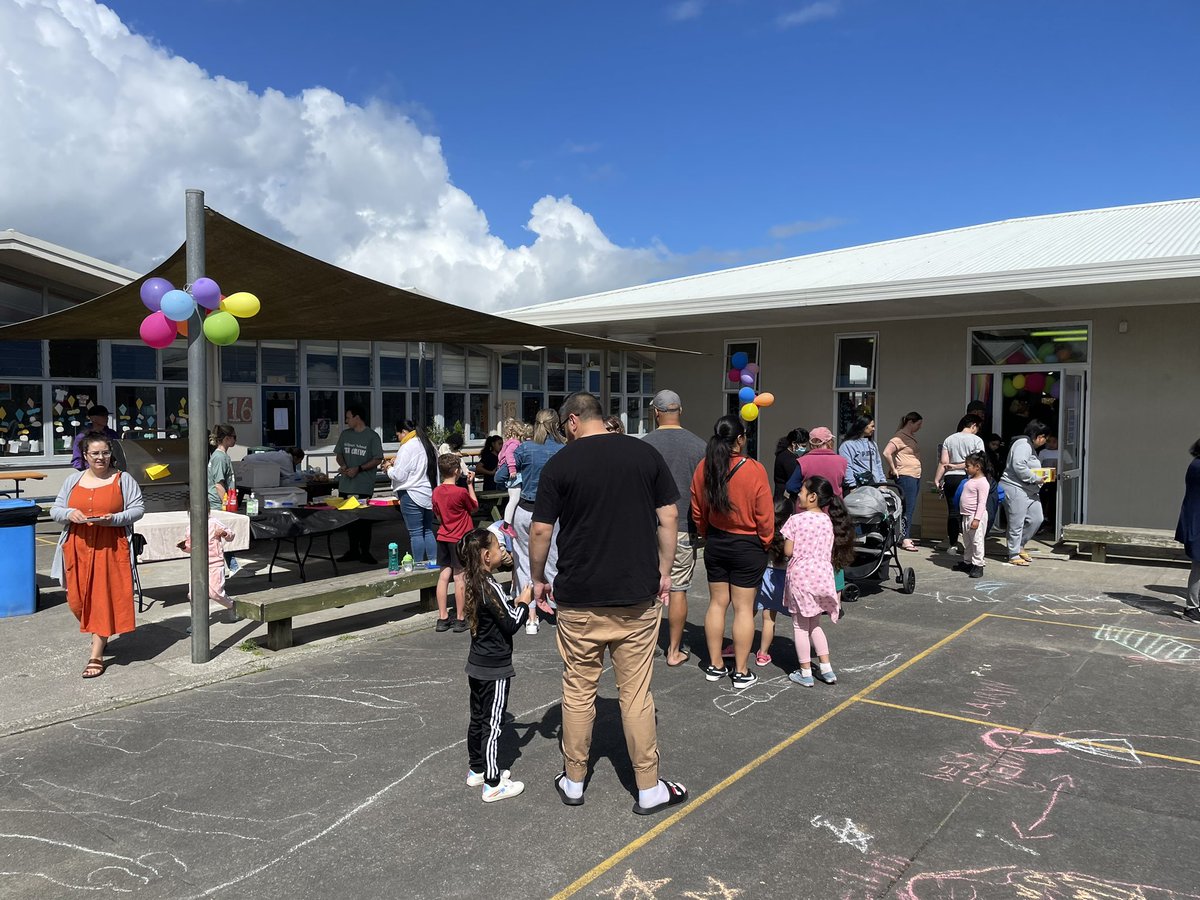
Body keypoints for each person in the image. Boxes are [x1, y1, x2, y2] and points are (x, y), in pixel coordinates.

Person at [529, 391, 688, 815]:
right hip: (636, 592)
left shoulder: (561, 463)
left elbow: (542, 529)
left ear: (574, 421)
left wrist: (539, 578)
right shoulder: (643, 454)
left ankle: (575, 779)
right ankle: (649, 786)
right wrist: (665, 570)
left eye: (566, 427)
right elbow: (669, 516)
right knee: (635, 693)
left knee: (578, 689)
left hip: (579, 594)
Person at [50, 432, 145, 678]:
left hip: (110, 546)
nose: (101, 457)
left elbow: (138, 509)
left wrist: (114, 519)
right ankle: (99, 631)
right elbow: (56, 509)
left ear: (110, 453)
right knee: (77, 600)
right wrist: (69, 513)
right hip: (77, 546)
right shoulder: (73, 480)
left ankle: (96, 654)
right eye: (95, 453)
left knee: (101, 598)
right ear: (85, 456)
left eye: (105, 452)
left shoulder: (123, 479)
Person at [690, 415, 774, 689]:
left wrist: (706, 533)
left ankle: (715, 665)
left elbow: (698, 508)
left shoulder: (705, 466)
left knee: (717, 604)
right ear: (739, 439)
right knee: (742, 608)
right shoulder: (754, 469)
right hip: (747, 544)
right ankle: (740, 670)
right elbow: (764, 514)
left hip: (716, 541)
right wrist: (766, 541)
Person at [458, 528, 533, 802]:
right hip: (495, 668)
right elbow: (512, 622)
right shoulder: (490, 586)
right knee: (494, 723)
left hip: (477, 664)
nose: (503, 550)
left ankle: (477, 768)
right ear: (487, 556)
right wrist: (524, 603)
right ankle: (492, 783)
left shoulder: (475, 582)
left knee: (478, 718)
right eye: (499, 547)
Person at [640, 389, 706, 668]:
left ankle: (646, 645)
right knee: (677, 588)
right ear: (681, 410)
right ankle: (674, 650)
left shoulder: (644, 445)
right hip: (682, 525)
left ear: (655, 412)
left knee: (646, 587)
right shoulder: (698, 446)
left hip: (645, 526)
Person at [781, 475, 855, 687]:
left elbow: (788, 550)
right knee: (815, 624)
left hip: (801, 577)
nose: (799, 495)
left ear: (812, 497)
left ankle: (805, 671)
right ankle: (826, 668)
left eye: (802, 492)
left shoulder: (795, 519)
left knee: (800, 626)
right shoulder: (829, 521)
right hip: (823, 575)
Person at [496, 409, 564, 635]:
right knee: (554, 560)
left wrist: (517, 478)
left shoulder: (524, 448)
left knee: (523, 562)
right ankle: (561, 612)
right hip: (553, 512)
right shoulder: (563, 449)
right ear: (557, 425)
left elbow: (500, 476)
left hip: (525, 510)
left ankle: (531, 617)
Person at [432, 453, 478, 632]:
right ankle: (460, 618)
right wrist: (470, 485)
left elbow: (437, 514)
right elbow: (473, 506)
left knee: (443, 576)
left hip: (443, 536)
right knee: (460, 577)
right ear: (457, 471)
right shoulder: (460, 492)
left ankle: (442, 617)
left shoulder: (436, 491)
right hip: (459, 538)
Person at [384, 420, 439, 567]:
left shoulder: (407, 446)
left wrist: (389, 467)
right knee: (428, 530)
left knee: (415, 533)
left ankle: (419, 564)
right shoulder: (429, 443)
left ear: (403, 432)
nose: (398, 438)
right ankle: (433, 563)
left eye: (397, 434)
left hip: (411, 494)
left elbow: (399, 475)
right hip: (429, 493)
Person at [335, 404, 384, 564]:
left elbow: (377, 459)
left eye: (348, 417)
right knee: (349, 520)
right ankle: (353, 550)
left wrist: (359, 468)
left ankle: (365, 552)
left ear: (357, 418)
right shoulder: (345, 435)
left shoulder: (372, 436)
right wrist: (343, 466)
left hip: (363, 486)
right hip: (345, 485)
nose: (346, 420)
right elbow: (339, 454)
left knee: (364, 520)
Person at [1000, 420, 1051, 566]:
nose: (1045, 441)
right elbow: (1019, 465)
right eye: (1045, 438)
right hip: (1016, 487)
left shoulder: (1028, 445)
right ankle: (1013, 553)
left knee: (1037, 518)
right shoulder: (1023, 444)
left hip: (1029, 489)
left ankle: (1020, 545)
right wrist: (1035, 478)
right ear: (1040, 436)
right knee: (1017, 522)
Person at [932, 414, 984, 552]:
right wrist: (959, 466)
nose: (977, 430)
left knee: (953, 513)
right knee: (970, 513)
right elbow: (977, 462)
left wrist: (937, 479)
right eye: (977, 427)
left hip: (950, 478)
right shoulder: (977, 440)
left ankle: (953, 544)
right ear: (973, 425)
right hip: (968, 479)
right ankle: (970, 546)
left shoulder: (949, 439)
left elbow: (943, 462)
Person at [178, 518, 238, 620]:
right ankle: (197, 622)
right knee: (194, 594)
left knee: (216, 593)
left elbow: (230, 535)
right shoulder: (190, 528)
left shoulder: (214, 522)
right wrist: (184, 547)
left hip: (215, 563)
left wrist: (224, 533)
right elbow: (190, 548)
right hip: (197, 564)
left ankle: (232, 606)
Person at [883, 412, 923, 551]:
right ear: (910, 422)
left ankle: (904, 536)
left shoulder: (910, 436)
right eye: (918, 424)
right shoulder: (899, 437)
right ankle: (905, 538)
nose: (919, 427)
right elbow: (887, 452)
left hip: (914, 475)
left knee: (909, 507)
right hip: (906, 476)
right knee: (909, 507)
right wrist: (893, 468)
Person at [1174, 439, 1200, 624]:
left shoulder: (1196, 463)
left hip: (1196, 522)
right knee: (1198, 567)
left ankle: (1193, 606)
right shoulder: (1198, 467)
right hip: (1197, 524)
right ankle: (1192, 608)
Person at [784, 427, 848, 498]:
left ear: (811, 444)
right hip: (834, 505)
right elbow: (847, 484)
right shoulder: (842, 461)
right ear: (829, 443)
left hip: (809, 505)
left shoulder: (803, 461)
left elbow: (791, 487)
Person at [957, 452, 990, 579]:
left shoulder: (982, 482)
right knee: (968, 541)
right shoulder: (971, 480)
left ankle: (978, 565)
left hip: (975, 516)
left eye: (968, 466)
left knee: (977, 541)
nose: (966, 468)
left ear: (977, 467)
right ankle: (968, 562)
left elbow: (982, 502)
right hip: (966, 515)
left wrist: (977, 519)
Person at [839, 415, 885, 488]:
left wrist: (883, 482)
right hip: (859, 486)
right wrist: (852, 486)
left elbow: (878, 464)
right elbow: (847, 467)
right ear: (863, 426)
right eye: (872, 426)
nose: (874, 429)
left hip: (875, 484)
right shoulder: (848, 445)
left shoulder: (872, 444)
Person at [498, 419, 528, 530]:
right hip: (513, 475)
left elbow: (501, 457)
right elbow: (510, 455)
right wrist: (512, 469)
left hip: (510, 475)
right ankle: (506, 525)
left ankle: (509, 522)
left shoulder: (506, 443)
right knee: (514, 499)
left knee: (514, 498)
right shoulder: (514, 443)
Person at [70, 406, 120, 471]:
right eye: (102, 416)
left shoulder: (113, 434)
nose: (106, 418)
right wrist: (90, 470)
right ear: (92, 418)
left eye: (107, 416)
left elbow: (119, 455)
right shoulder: (82, 436)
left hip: (111, 473)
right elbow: (76, 461)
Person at [206, 424, 237, 511]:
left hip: (219, 503)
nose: (235, 440)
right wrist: (228, 506)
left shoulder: (221, 456)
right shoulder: (220, 457)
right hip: (218, 505)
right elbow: (219, 485)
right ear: (226, 438)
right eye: (234, 437)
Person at [773, 428, 809, 500]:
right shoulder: (787, 458)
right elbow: (795, 478)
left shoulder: (786, 454)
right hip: (785, 498)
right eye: (803, 446)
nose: (805, 449)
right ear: (794, 443)